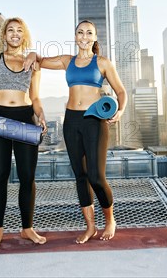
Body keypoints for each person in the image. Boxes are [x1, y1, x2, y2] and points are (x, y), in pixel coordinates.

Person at [26, 20, 127, 243]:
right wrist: (33, 54)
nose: (84, 36)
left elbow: (121, 91)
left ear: (94, 37)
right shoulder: (67, 61)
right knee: (80, 176)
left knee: (96, 176)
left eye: (88, 33)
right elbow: (40, 62)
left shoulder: (103, 63)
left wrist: (120, 111)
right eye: (80, 32)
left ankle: (110, 219)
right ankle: (90, 226)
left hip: (94, 120)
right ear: (75, 36)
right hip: (71, 121)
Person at [0, 17, 48, 249]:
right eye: (10, 30)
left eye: (19, 31)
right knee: (1, 175)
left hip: (25, 119)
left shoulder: (32, 63)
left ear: (24, 35)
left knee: (27, 177)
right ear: (4, 35)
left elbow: (34, 97)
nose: (15, 34)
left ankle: (27, 229)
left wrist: (41, 115)